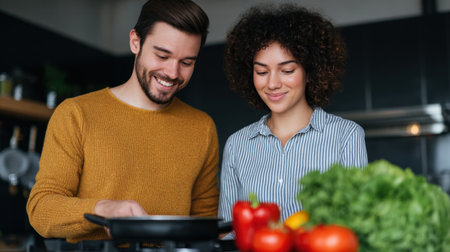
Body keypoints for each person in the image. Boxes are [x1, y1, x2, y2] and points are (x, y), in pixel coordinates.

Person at [27, 0, 219, 243]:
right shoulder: (76, 114)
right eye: (162, 55)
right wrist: (103, 209)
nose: (173, 72)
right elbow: (41, 210)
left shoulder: (202, 127)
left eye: (187, 62)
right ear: (135, 42)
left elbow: (206, 222)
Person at [218, 3, 368, 225]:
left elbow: (359, 223)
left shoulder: (346, 136)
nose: (272, 83)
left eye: (287, 70)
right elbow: (228, 231)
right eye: (261, 71)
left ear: (310, 72)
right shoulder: (237, 145)